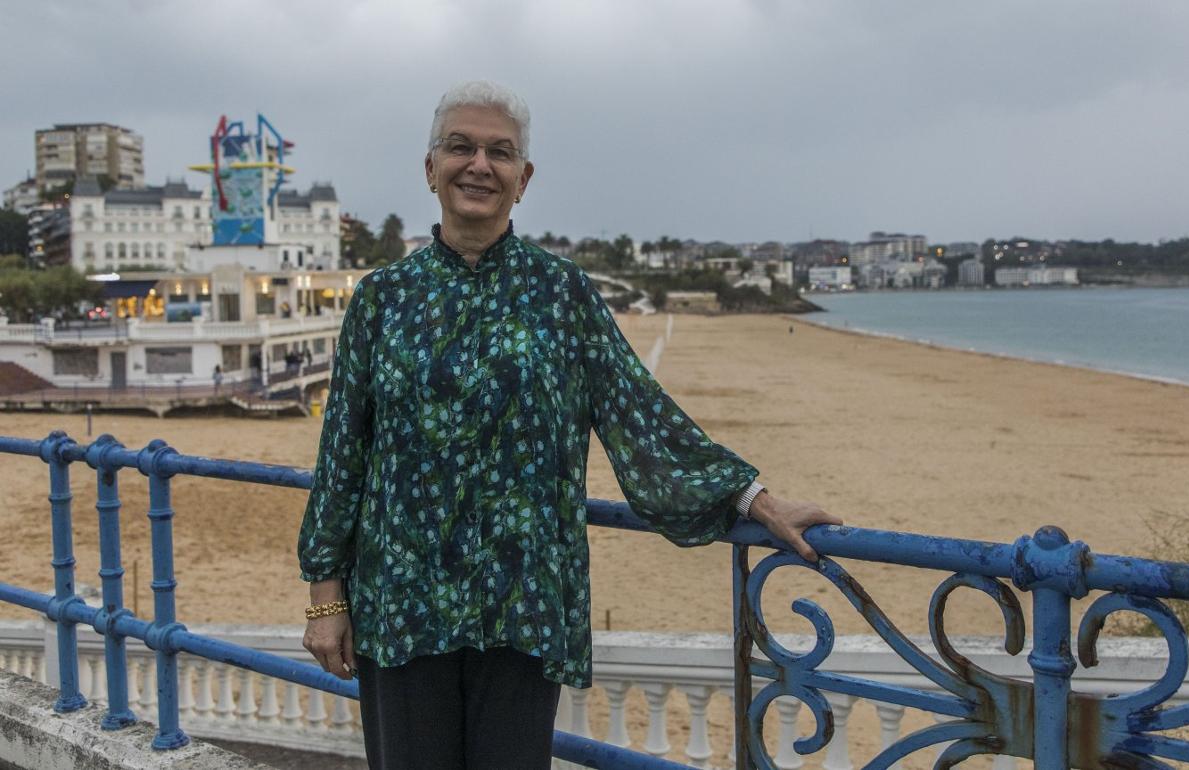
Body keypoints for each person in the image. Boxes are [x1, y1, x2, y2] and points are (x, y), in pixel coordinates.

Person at [297, 80, 841, 770]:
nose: (479, 165)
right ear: (429, 168)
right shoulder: (382, 298)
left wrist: (752, 498)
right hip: (402, 599)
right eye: (460, 146)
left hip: (525, 599)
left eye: (500, 153)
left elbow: (637, 411)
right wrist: (325, 599)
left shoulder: (563, 293)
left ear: (523, 180)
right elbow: (344, 449)